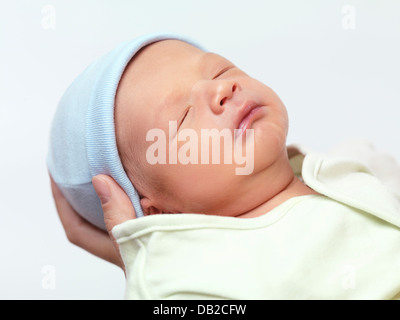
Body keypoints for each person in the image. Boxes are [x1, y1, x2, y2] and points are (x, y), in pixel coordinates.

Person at [48, 33, 400, 299]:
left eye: (220, 69)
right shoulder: (198, 279)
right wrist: (151, 265)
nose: (222, 89)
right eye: (184, 116)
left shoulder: (355, 163)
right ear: (159, 211)